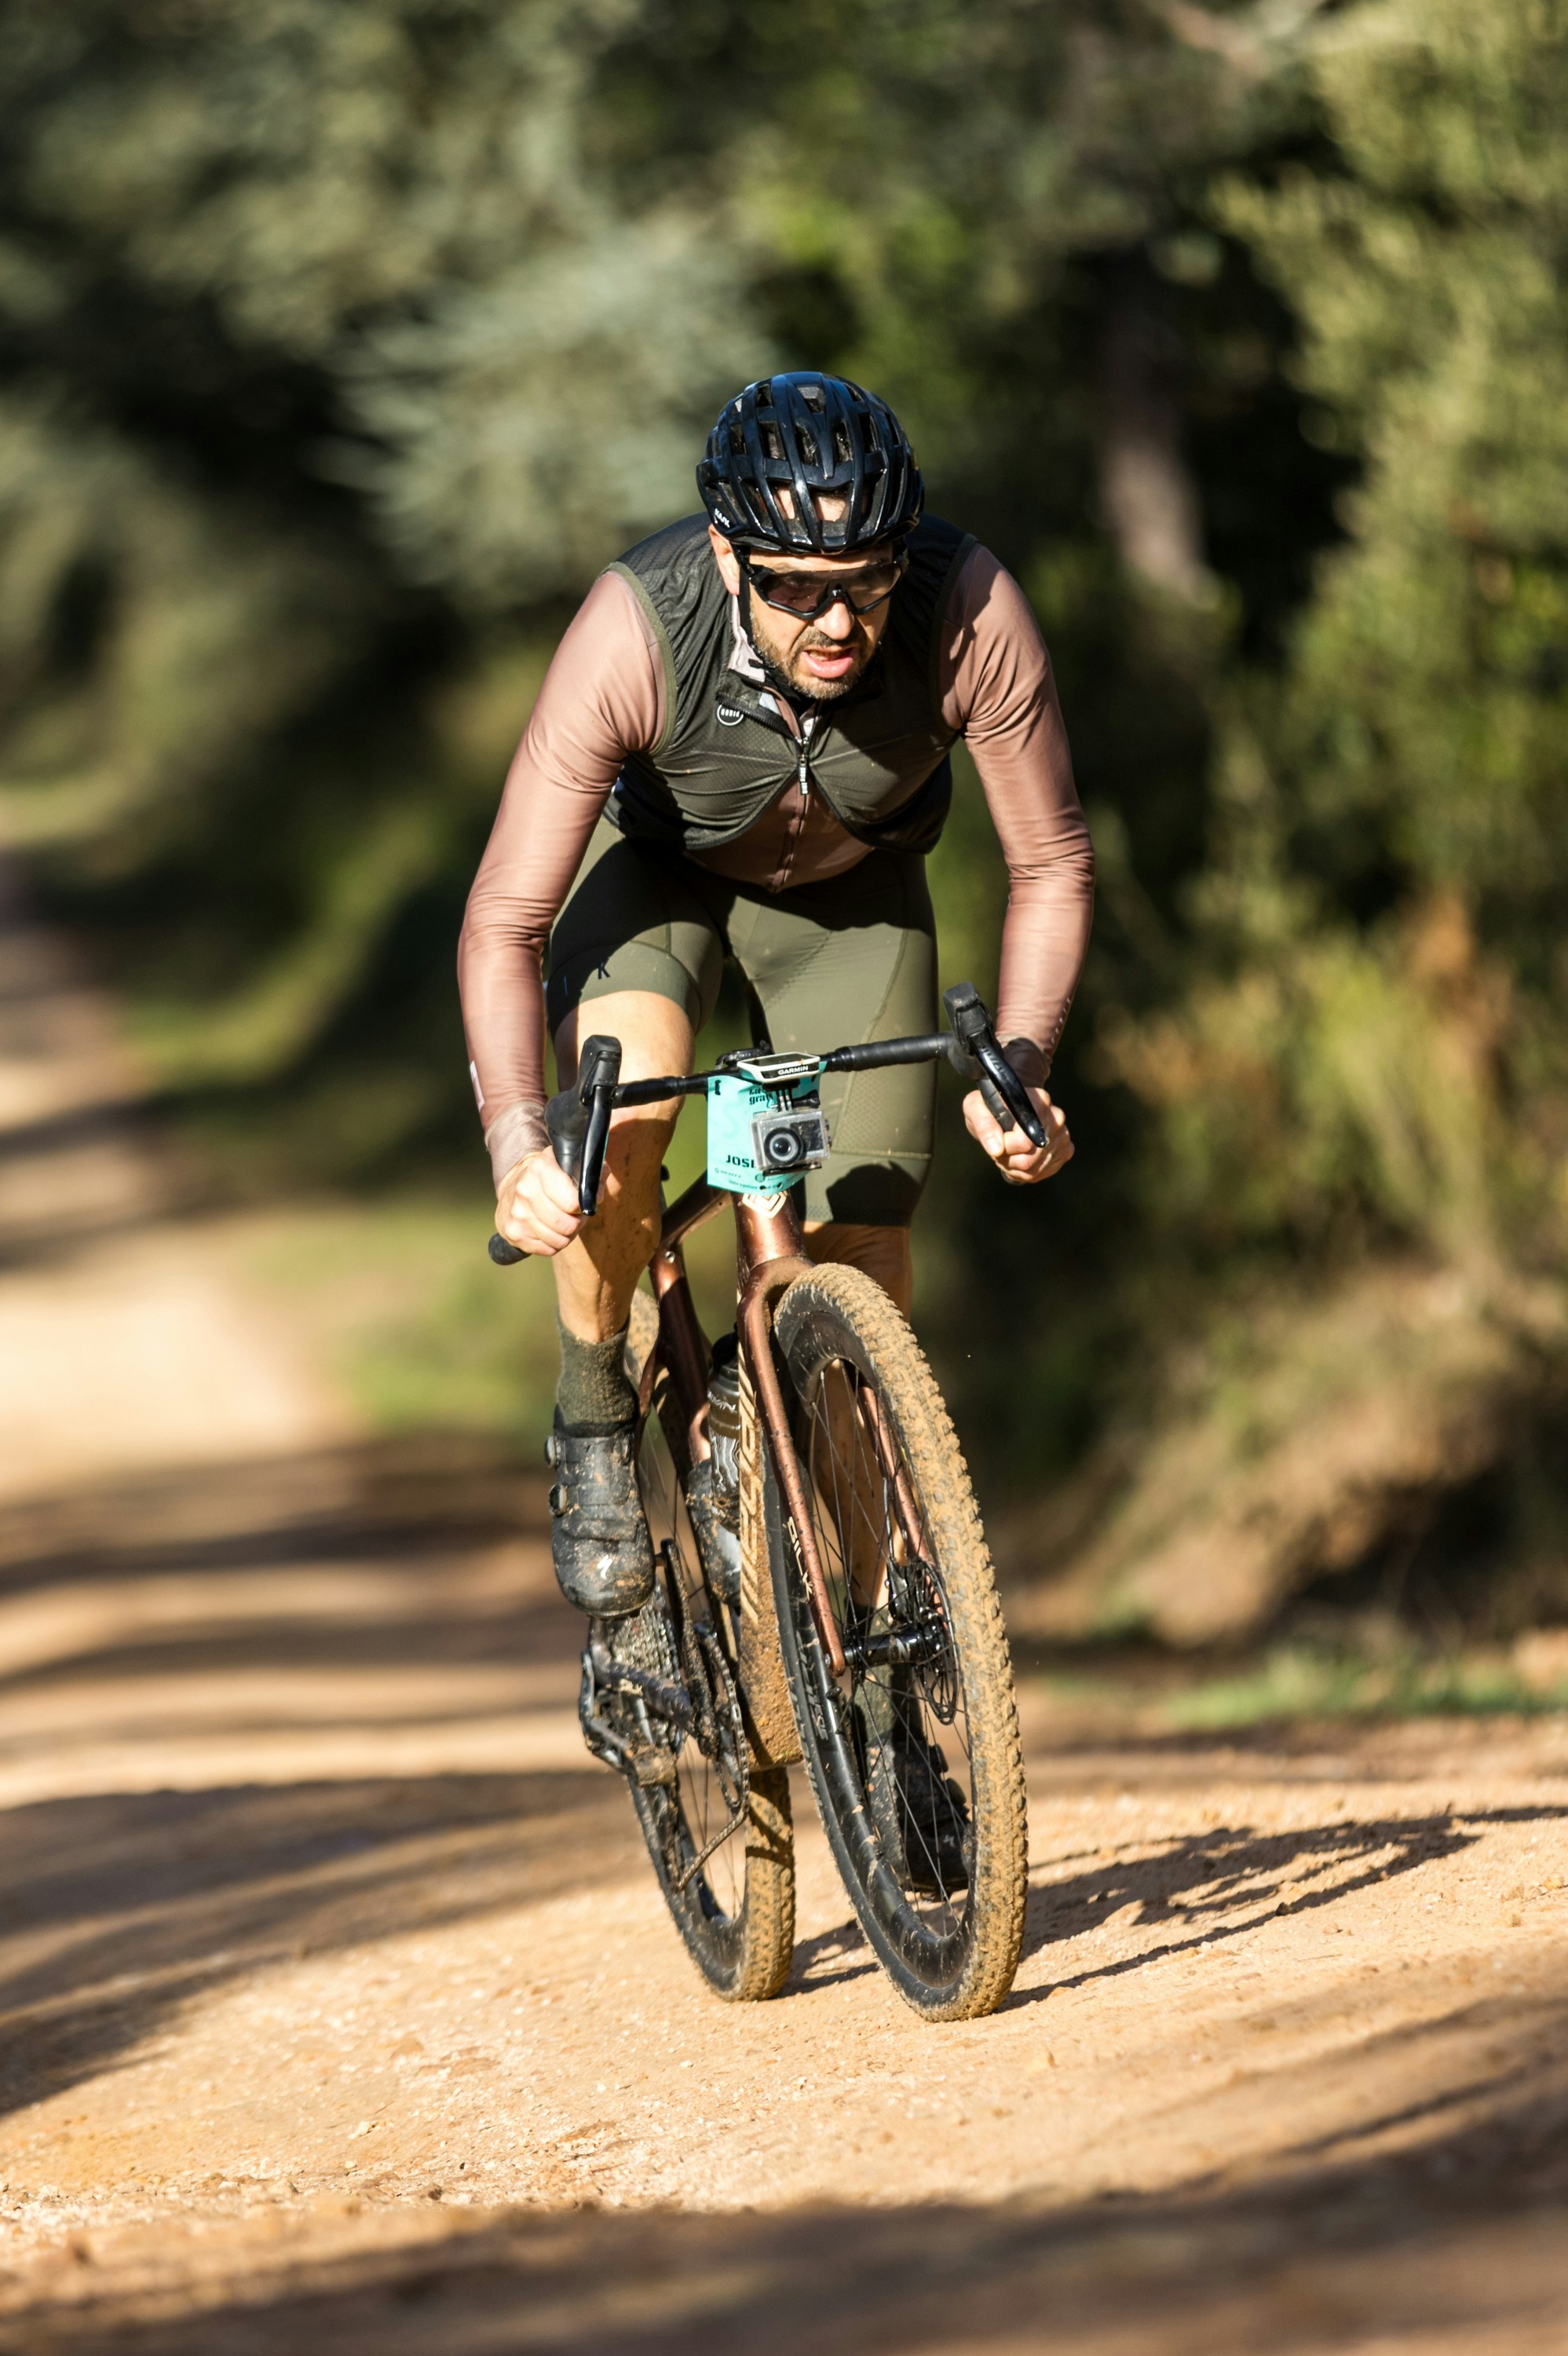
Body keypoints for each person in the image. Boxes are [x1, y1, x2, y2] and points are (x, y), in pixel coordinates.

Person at [455, 372, 1091, 1783]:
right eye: (800, 588)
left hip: (856, 912)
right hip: (661, 896)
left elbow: (1050, 866)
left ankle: (872, 1683)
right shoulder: (636, 630)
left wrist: (1024, 1065)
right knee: (620, 1131)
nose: (843, 622)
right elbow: (504, 922)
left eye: (866, 582)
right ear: (734, 559)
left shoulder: (969, 609)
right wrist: (517, 1144)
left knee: (865, 1245)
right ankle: (598, 1419)